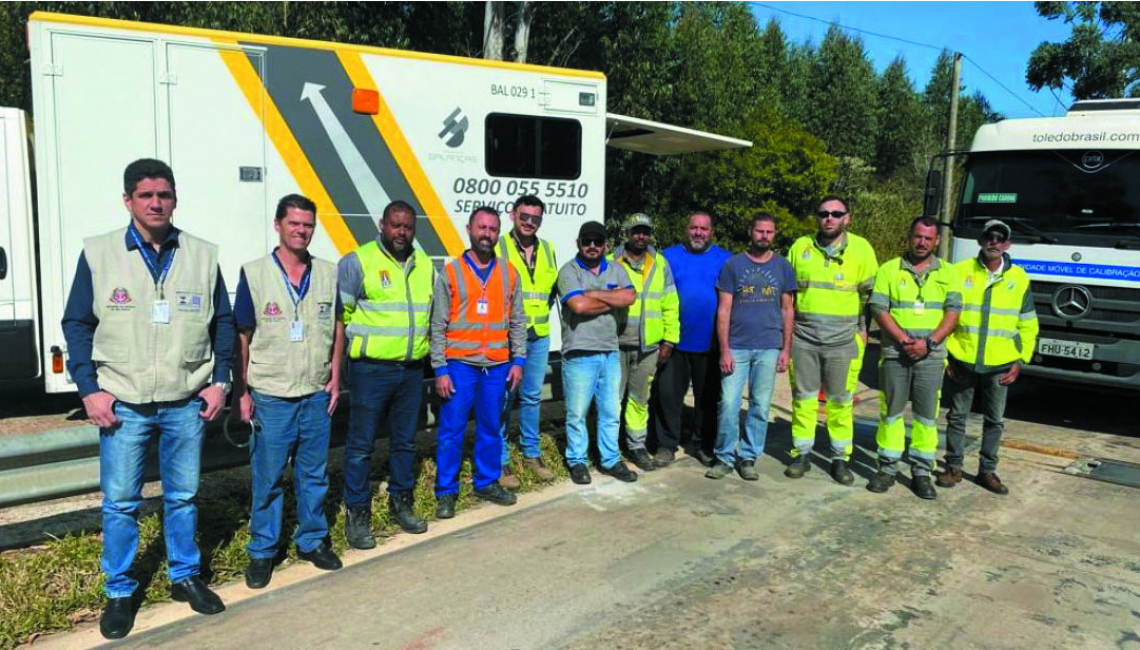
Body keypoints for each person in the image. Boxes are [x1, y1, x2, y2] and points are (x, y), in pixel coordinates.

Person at [62, 158, 235, 639]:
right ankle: (119, 590)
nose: (156, 202)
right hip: (123, 402)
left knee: (183, 497)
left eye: (164, 194)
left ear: (175, 199)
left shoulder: (201, 254)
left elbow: (222, 322)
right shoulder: (99, 254)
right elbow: (77, 323)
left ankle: (184, 576)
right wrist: (88, 389)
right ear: (128, 201)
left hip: (185, 400)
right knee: (120, 503)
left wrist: (220, 379)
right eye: (145, 195)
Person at [231, 194, 346, 589]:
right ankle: (263, 549)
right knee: (268, 477)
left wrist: (335, 377)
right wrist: (241, 391)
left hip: (315, 391)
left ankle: (312, 540)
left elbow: (337, 327)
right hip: (271, 393)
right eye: (294, 223)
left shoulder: (328, 273)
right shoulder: (254, 273)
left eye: (308, 224)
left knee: (314, 474)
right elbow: (242, 337)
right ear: (278, 225)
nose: (301, 230)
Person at [338, 200, 433, 549]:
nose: (402, 232)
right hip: (370, 370)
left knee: (405, 442)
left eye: (408, 227)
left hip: (410, 371)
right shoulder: (358, 261)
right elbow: (340, 317)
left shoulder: (424, 265)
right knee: (361, 446)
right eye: (395, 225)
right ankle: (358, 513)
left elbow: (432, 316)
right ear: (382, 224)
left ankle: (401, 504)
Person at [431, 207, 527, 518]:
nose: (487, 234)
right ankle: (446, 490)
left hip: (497, 365)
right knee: (451, 430)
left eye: (493, 229)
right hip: (460, 365)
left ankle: (486, 481)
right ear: (469, 229)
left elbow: (517, 321)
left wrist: (519, 360)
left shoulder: (509, 273)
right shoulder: (451, 272)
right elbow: (438, 324)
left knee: (490, 427)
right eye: (481, 227)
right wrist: (440, 369)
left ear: (499, 233)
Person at [936, 219, 1038, 495]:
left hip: (1000, 364)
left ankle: (987, 471)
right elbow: (944, 316)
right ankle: (953, 467)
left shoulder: (1019, 278)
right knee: (957, 416)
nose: (993, 241)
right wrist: (946, 356)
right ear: (981, 241)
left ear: (1007, 244)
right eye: (988, 237)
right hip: (963, 358)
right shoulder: (958, 272)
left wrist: (1020, 360)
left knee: (994, 421)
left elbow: (1028, 324)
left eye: (999, 238)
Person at [786, 195, 879, 485]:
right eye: (824, 213)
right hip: (804, 339)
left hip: (843, 341)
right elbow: (787, 297)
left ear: (847, 218)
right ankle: (801, 453)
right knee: (803, 399)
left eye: (837, 214)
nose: (830, 218)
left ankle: (840, 458)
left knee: (840, 402)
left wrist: (863, 327)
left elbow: (871, 296)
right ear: (817, 217)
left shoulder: (862, 249)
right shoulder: (800, 247)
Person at [867, 217, 962, 499]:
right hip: (896, 353)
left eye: (928, 239)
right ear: (909, 236)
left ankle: (921, 471)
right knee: (891, 412)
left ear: (937, 242)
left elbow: (953, 313)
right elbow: (878, 308)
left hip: (930, 356)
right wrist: (904, 340)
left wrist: (929, 343)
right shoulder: (889, 270)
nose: (922, 243)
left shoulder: (949, 273)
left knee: (926, 416)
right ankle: (886, 467)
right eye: (918, 237)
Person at [707, 213, 795, 480]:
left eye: (769, 232)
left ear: (774, 234)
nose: (764, 236)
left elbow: (787, 309)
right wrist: (724, 349)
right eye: (760, 231)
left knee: (760, 405)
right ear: (750, 232)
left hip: (769, 346)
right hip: (737, 346)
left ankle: (748, 456)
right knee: (729, 403)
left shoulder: (782, 266)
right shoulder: (733, 265)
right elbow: (723, 310)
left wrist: (785, 349)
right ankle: (723, 456)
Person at [558, 221, 638, 485]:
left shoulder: (617, 269)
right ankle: (577, 461)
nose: (592, 246)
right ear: (578, 243)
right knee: (577, 412)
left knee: (610, 411)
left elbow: (629, 298)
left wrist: (594, 294)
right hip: (579, 352)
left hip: (609, 352)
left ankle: (610, 459)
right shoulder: (568, 271)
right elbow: (578, 305)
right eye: (586, 241)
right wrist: (610, 297)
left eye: (597, 241)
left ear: (606, 245)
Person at [654, 211, 732, 467]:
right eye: (694, 228)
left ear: (712, 232)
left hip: (710, 344)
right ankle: (666, 445)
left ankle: (702, 445)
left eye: (704, 229)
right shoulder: (668, 257)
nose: (698, 233)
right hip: (674, 342)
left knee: (708, 401)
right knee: (668, 397)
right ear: (686, 229)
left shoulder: (725, 259)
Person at [496, 195, 558, 489]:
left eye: (535, 218)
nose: (530, 222)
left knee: (532, 396)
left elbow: (551, 292)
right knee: (504, 398)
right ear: (513, 216)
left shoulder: (547, 248)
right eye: (525, 217)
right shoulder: (500, 246)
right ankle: (500, 459)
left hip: (539, 335)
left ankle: (531, 454)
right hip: (509, 337)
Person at [611, 213, 680, 472]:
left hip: (648, 346)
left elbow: (670, 303)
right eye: (636, 231)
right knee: (612, 400)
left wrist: (670, 340)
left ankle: (636, 446)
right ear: (626, 233)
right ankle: (610, 448)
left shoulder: (660, 264)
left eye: (645, 232)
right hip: (616, 344)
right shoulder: (611, 262)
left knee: (640, 399)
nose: (641, 236)